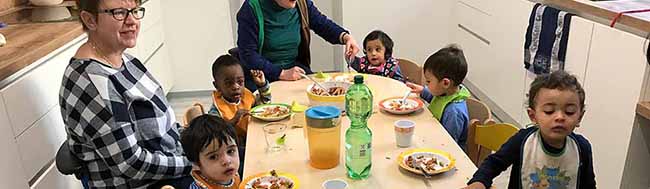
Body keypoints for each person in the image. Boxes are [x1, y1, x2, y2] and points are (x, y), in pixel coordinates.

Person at [59, 0, 192, 188]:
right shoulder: (92, 83)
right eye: (119, 13)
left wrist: (197, 142)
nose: (132, 21)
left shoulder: (125, 60)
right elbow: (131, 164)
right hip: (147, 183)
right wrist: (193, 164)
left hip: (170, 169)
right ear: (90, 20)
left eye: (135, 10)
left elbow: (166, 124)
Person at [464, 71, 596, 189]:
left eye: (569, 112)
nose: (560, 117)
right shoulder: (522, 141)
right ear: (533, 116)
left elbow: (588, 184)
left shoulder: (582, 148)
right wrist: (479, 181)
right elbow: (494, 163)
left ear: (580, 117)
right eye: (549, 111)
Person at [237, 0, 360, 91]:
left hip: (296, 71)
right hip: (262, 76)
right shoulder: (251, 9)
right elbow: (248, 55)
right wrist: (282, 73)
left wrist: (346, 37)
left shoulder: (302, 4)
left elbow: (322, 24)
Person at [407, 45, 470, 149]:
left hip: (444, 151)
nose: (426, 85)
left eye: (428, 81)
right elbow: (436, 99)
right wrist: (422, 90)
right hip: (432, 136)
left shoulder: (453, 112)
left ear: (445, 83)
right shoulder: (448, 92)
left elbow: (448, 144)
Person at [208, 54, 271, 144]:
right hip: (234, 148)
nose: (236, 87)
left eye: (240, 82)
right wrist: (233, 121)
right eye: (228, 83)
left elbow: (265, 106)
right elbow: (214, 133)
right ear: (217, 86)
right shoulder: (216, 111)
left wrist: (262, 85)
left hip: (254, 138)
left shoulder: (247, 97)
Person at [181, 115, 241, 189]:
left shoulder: (230, 173)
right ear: (196, 164)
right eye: (213, 157)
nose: (227, 161)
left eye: (230, 151)